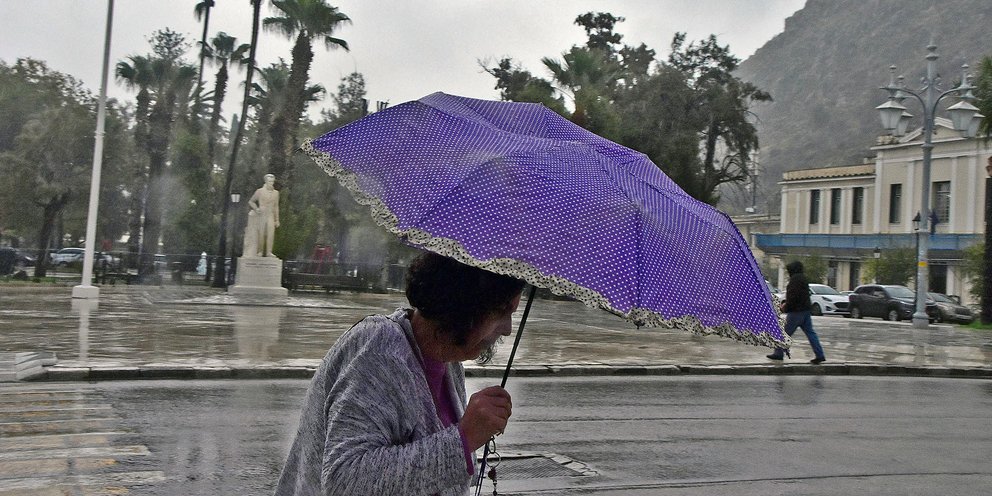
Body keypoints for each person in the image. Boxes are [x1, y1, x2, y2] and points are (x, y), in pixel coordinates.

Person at [274, 252, 525, 496]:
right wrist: (464, 439)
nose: (507, 329)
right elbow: (345, 481)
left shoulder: (448, 361)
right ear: (466, 301)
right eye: (502, 310)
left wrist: (465, 439)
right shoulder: (379, 347)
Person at [767, 260, 827, 364]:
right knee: (811, 333)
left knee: (784, 333)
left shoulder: (794, 280)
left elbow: (793, 297)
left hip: (796, 312)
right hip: (805, 311)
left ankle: (778, 353)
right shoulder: (803, 279)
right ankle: (820, 354)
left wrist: (785, 306)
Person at [247, 173, 280, 257]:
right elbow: (251, 201)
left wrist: (277, 219)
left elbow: (276, 206)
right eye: (269, 181)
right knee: (261, 233)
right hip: (262, 214)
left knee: (271, 234)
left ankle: (269, 252)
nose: (271, 183)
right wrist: (256, 208)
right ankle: (260, 251)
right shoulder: (260, 191)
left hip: (270, 215)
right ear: (265, 181)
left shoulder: (276, 193)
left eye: (272, 181)